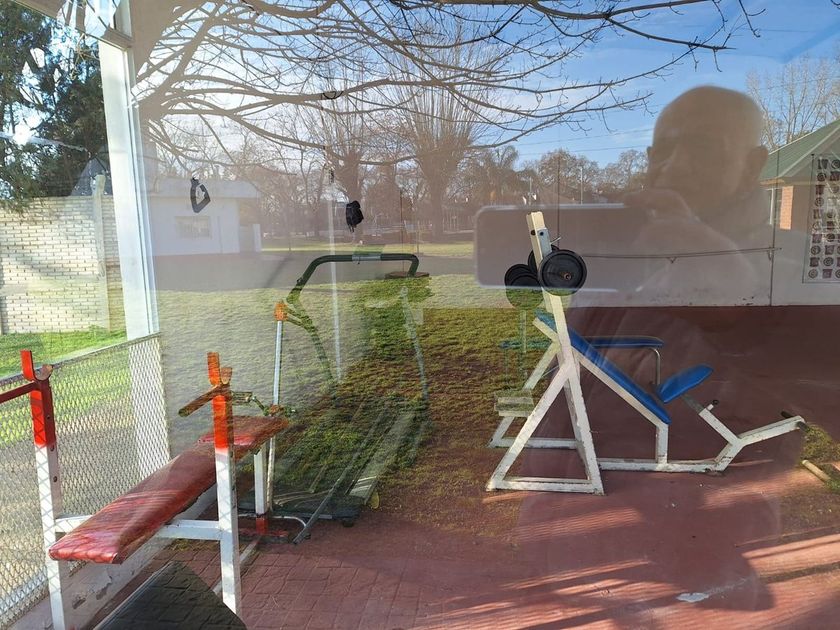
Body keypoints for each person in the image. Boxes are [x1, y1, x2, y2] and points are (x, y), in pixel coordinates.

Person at [622, 86, 774, 304]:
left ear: (751, 166)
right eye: (662, 151)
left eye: (704, 148)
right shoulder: (625, 252)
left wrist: (739, 293)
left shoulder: (792, 271)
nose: (674, 166)